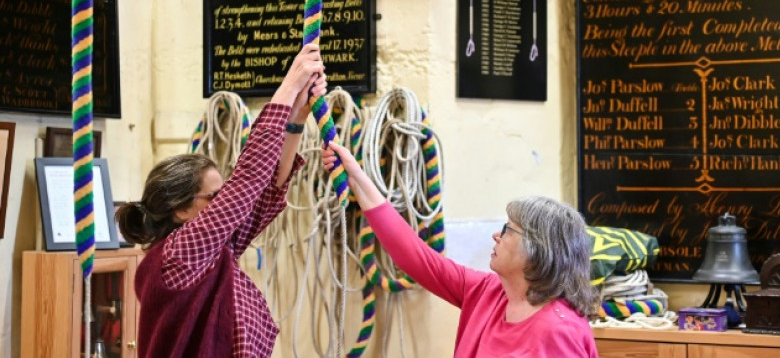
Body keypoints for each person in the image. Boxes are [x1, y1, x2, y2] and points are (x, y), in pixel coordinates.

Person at [116, 44, 327, 358]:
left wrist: (296, 118)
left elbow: (267, 189)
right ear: (181, 209)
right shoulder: (178, 254)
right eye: (216, 196)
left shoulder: (211, 252)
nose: (226, 202)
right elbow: (248, 183)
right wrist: (288, 86)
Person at [321, 141, 599, 357]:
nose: (496, 235)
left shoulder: (560, 330)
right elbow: (414, 256)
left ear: (539, 249)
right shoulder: (486, 292)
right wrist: (355, 176)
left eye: (508, 230)